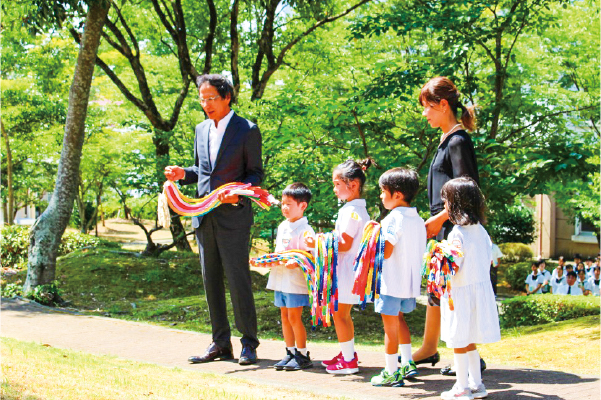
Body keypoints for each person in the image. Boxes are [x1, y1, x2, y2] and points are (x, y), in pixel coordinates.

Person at [165, 74, 263, 365]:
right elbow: (203, 172)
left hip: (234, 217)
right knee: (211, 282)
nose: (205, 104)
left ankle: (249, 344)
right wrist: (183, 173)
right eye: (202, 99)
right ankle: (220, 343)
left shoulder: (246, 129)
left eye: (210, 98)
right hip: (203, 216)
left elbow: (255, 174)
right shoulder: (201, 129)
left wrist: (239, 195)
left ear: (227, 97)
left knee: (237, 280)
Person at [413, 76, 481, 368]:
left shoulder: (457, 141)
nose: (425, 113)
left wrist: (439, 218)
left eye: (428, 107)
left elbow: (468, 186)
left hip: (454, 227)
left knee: (456, 289)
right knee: (437, 286)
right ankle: (429, 347)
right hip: (443, 225)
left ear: (443, 105)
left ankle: (470, 358)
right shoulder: (446, 140)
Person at [306, 159, 372, 375]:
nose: (334, 189)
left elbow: (343, 244)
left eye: (337, 184)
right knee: (341, 314)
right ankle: (347, 354)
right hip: (348, 269)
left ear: (352, 185)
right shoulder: (354, 209)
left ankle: (349, 359)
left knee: (340, 314)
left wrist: (317, 241)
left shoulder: (351, 212)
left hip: (346, 271)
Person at [438, 177, 500, 400]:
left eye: (446, 202)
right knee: (470, 339)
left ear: (455, 204)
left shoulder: (457, 234)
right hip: (478, 291)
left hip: (461, 293)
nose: (444, 206)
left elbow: (453, 267)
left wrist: (439, 262)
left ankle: (461, 387)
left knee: (459, 341)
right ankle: (477, 384)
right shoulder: (481, 231)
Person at [370, 168, 426, 387]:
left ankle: (391, 371)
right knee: (400, 321)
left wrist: (372, 239)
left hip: (391, 282)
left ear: (398, 194)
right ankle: (408, 362)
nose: (381, 196)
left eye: (383, 191)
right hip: (409, 283)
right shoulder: (418, 219)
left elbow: (387, 251)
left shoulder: (393, 219)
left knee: (389, 328)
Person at [260, 183, 315, 371]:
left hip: (295, 282)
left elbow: (311, 257)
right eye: (282, 203)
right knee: (284, 316)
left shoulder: (306, 230)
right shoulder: (283, 226)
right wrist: (267, 261)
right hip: (280, 280)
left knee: (294, 317)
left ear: (303, 206)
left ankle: (302, 353)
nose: (284, 207)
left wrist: (297, 262)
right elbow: (279, 252)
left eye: (289, 204)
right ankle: (290, 351)